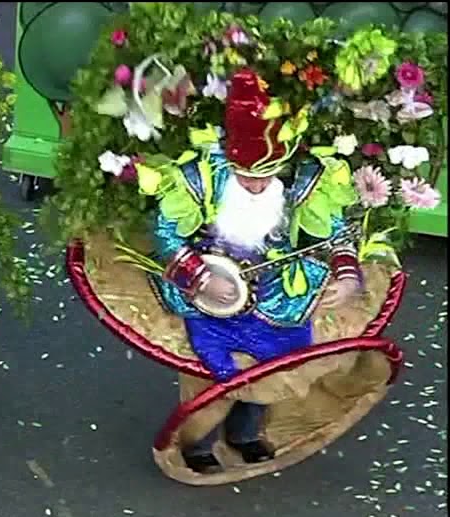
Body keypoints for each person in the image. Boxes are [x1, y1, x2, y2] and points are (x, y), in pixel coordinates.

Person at [149, 67, 363, 475]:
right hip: (212, 298)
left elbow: (334, 231)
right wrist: (201, 277)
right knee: (212, 370)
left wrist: (347, 273)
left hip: (278, 293)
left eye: (265, 177)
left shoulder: (302, 183)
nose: (256, 186)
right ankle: (197, 440)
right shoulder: (201, 179)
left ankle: (244, 434)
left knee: (276, 365)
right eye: (246, 176)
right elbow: (165, 233)